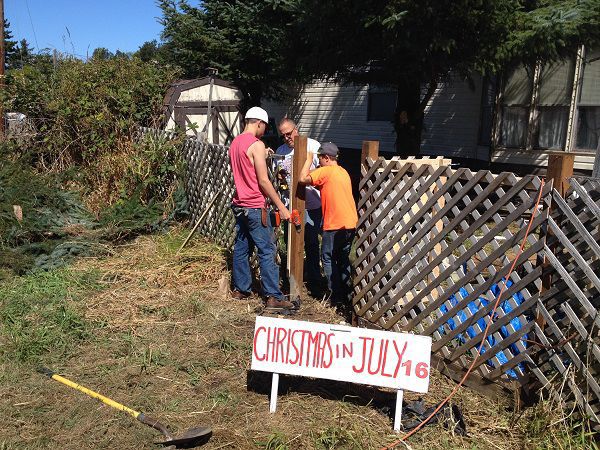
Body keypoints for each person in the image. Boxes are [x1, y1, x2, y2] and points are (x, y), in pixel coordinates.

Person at [229, 106, 296, 311]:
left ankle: (241, 288)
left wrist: (264, 155)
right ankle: (273, 297)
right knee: (266, 250)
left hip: (239, 205)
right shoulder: (256, 144)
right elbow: (264, 181)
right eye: (264, 127)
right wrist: (281, 208)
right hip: (255, 206)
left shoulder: (235, 143)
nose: (264, 132)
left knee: (242, 248)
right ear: (259, 123)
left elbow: (247, 166)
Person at [298, 142, 358, 305]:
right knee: (343, 258)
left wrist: (308, 159)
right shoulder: (342, 172)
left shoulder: (326, 171)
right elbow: (317, 178)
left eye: (319, 158)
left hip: (334, 224)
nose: (318, 161)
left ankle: (335, 296)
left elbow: (302, 178)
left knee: (327, 257)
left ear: (326, 158)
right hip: (350, 223)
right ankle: (347, 293)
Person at [275, 118, 323, 292]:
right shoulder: (281, 151)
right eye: (284, 135)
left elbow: (322, 171)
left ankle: (314, 281)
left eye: (289, 133)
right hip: (289, 205)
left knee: (311, 243)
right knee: (291, 242)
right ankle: (293, 278)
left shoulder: (313, 146)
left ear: (296, 129)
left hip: (311, 204)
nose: (287, 138)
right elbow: (278, 174)